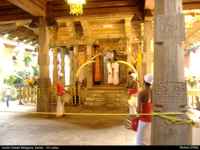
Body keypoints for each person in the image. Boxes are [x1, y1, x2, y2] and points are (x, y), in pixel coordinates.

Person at [136, 74, 153, 145]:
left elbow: (139, 110)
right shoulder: (153, 92)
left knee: (140, 140)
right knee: (148, 140)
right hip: (151, 119)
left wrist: (136, 110)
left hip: (143, 119)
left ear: (144, 82)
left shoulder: (141, 93)